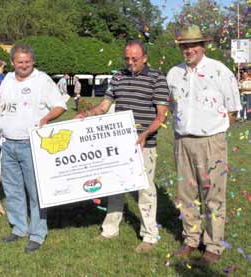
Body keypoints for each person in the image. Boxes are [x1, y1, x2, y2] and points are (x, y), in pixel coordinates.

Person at [75, 40, 169, 253]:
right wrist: (86, 114)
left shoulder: (157, 79)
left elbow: (161, 115)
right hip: (119, 145)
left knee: (145, 189)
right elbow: (105, 106)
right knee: (115, 186)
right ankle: (110, 229)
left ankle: (150, 235)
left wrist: (145, 134)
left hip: (145, 144)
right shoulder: (117, 77)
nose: (130, 63)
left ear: (145, 58)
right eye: (127, 58)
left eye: (134, 59)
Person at [0, 44, 67, 253]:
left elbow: (60, 105)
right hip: (7, 143)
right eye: (20, 62)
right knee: (12, 189)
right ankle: (19, 228)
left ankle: (37, 234)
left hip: (31, 144)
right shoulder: (7, 80)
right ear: (12, 63)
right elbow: (1, 107)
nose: (24, 65)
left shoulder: (42, 80)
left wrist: (46, 117)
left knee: (35, 191)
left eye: (28, 61)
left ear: (33, 62)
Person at [167, 25, 241, 266]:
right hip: (182, 141)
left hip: (211, 141)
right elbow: (172, 107)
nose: (189, 50)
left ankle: (213, 245)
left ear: (203, 46)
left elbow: (232, 111)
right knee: (185, 194)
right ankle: (190, 239)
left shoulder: (220, 71)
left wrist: (214, 133)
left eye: (193, 45)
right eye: (185, 46)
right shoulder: (173, 74)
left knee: (213, 195)